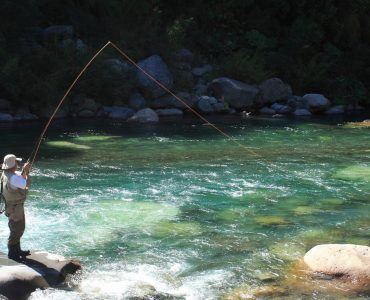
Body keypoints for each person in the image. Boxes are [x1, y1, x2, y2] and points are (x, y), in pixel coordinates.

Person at [1, 154, 31, 260]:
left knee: (17, 228)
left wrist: (23, 171)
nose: (17, 164)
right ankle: (12, 253)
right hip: (15, 207)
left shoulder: (6, 174)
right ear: (13, 164)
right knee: (17, 229)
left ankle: (17, 249)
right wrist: (27, 171)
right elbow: (26, 184)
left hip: (12, 205)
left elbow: (19, 179)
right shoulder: (13, 178)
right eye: (16, 162)